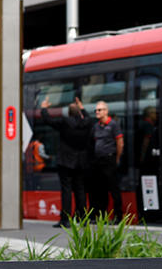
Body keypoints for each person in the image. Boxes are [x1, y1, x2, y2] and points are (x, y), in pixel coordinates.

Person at [40, 95, 95, 227]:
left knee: (66, 190)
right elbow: (88, 118)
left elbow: (48, 120)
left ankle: (65, 219)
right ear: (80, 112)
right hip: (81, 161)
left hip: (66, 161)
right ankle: (82, 218)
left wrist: (44, 108)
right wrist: (82, 108)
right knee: (80, 190)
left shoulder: (64, 122)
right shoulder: (87, 122)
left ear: (68, 113)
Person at [89, 100, 124, 223]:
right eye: (96, 110)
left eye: (99, 110)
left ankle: (118, 217)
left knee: (114, 189)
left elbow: (120, 142)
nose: (97, 112)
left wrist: (117, 158)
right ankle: (101, 217)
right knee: (100, 190)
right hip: (98, 161)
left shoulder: (113, 125)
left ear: (106, 111)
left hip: (110, 159)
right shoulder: (96, 126)